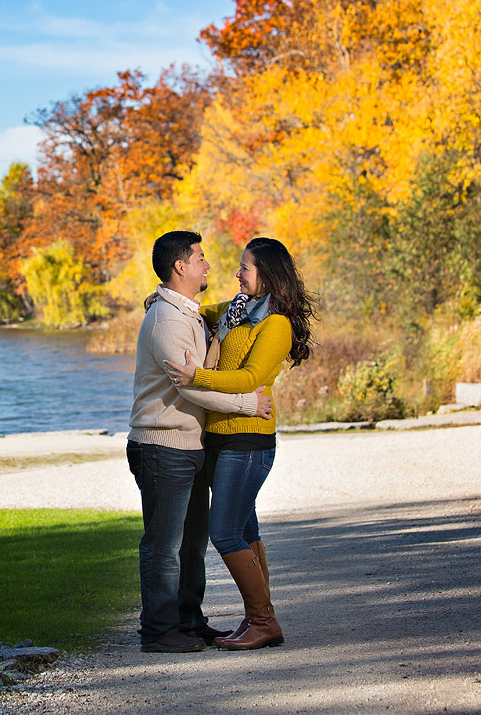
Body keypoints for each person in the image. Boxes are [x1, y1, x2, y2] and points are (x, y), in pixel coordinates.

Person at [162, 237, 316, 650]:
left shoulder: (276, 324)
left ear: (267, 274)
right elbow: (203, 311)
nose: (237, 273)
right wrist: (162, 300)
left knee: (226, 531)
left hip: (248, 439)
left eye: (245, 268)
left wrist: (197, 376)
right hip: (221, 438)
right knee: (245, 529)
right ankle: (257, 620)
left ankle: (264, 621)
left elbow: (250, 380)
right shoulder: (237, 311)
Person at [128, 230, 273, 653]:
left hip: (188, 445)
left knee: (191, 544)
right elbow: (190, 387)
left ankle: (188, 621)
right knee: (163, 545)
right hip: (161, 444)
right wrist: (248, 403)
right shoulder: (168, 319)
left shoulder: (187, 312)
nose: (209, 265)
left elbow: (211, 344)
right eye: (201, 258)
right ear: (180, 267)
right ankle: (159, 631)